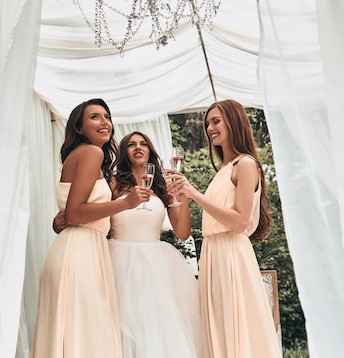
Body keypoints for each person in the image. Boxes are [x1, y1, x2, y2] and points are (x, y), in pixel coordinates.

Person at [52, 131, 202, 358]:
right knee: (120, 323)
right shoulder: (112, 183)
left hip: (157, 265)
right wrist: (60, 220)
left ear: (151, 151)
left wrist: (179, 195)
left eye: (143, 144)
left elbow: (182, 232)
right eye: (131, 144)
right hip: (117, 260)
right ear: (124, 152)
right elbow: (85, 210)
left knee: (156, 324)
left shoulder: (162, 185)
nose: (138, 147)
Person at [30, 99, 150, 358]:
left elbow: (70, 212)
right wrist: (125, 203)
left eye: (106, 116)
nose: (104, 122)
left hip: (79, 249)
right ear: (80, 128)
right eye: (95, 117)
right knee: (87, 335)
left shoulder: (84, 156)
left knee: (78, 334)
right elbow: (75, 213)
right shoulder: (90, 153)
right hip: (80, 254)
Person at [168, 99, 281, 358]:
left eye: (216, 121)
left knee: (235, 326)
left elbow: (240, 221)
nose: (209, 128)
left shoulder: (246, 165)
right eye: (208, 123)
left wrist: (193, 193)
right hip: (212, 254)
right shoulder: (224, 168)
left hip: (231, 254)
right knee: (217, 328)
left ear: (234, 122)